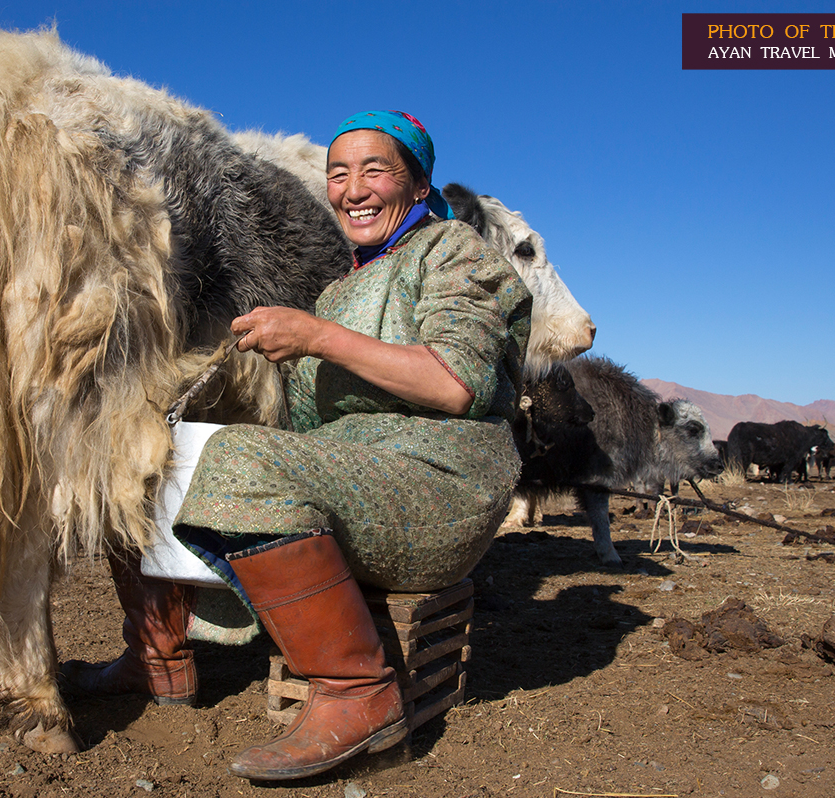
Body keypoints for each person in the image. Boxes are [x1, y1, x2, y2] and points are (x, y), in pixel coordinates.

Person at [68, 110, 533, 780]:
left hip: (439, 479)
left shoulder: (454, 253)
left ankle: (357, 695)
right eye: (338, 174)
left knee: (241, 461)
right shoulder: (341, 290)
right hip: (362, 477)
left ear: (420, 186)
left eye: (375, 170)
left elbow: (455, 382)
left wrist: (315, 338)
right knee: (138, 464)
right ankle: (158, 660)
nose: (352, 188)